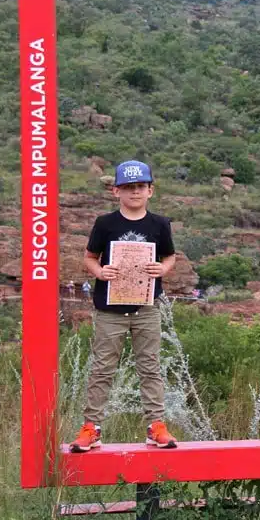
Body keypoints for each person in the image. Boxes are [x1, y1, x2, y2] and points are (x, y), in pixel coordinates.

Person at [70, 160, 179, 452]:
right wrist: (99, 272)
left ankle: (156, 426)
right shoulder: (105, 223)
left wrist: (162, 269)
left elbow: (170, 257)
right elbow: (90, 257)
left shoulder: (159, 224)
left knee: (150, 368)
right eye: (128, 187)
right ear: (116, 191)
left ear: (150, 190)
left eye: (140, 187)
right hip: (110, 309)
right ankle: (91, 428)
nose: (135, 192)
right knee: (103, 368)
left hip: (146, 308)